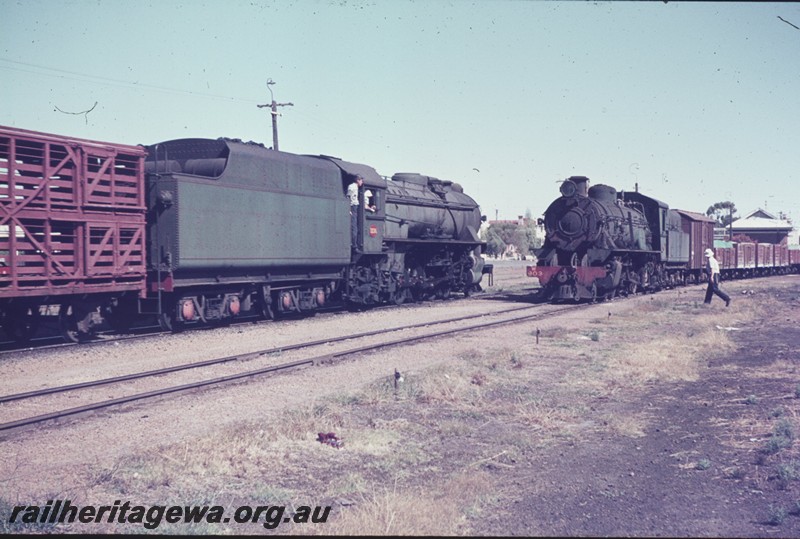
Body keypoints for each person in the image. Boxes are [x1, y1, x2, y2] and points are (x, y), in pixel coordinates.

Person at [347, 175, 363, 247]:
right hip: (353, 207)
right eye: (361, 180)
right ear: (358, 180)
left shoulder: (355, 187)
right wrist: (349, 209)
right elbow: (349, 197)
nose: (362, 182)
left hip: (354, 206)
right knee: (354, 226)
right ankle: (354, 244)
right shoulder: (352, 187)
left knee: (355, 226)